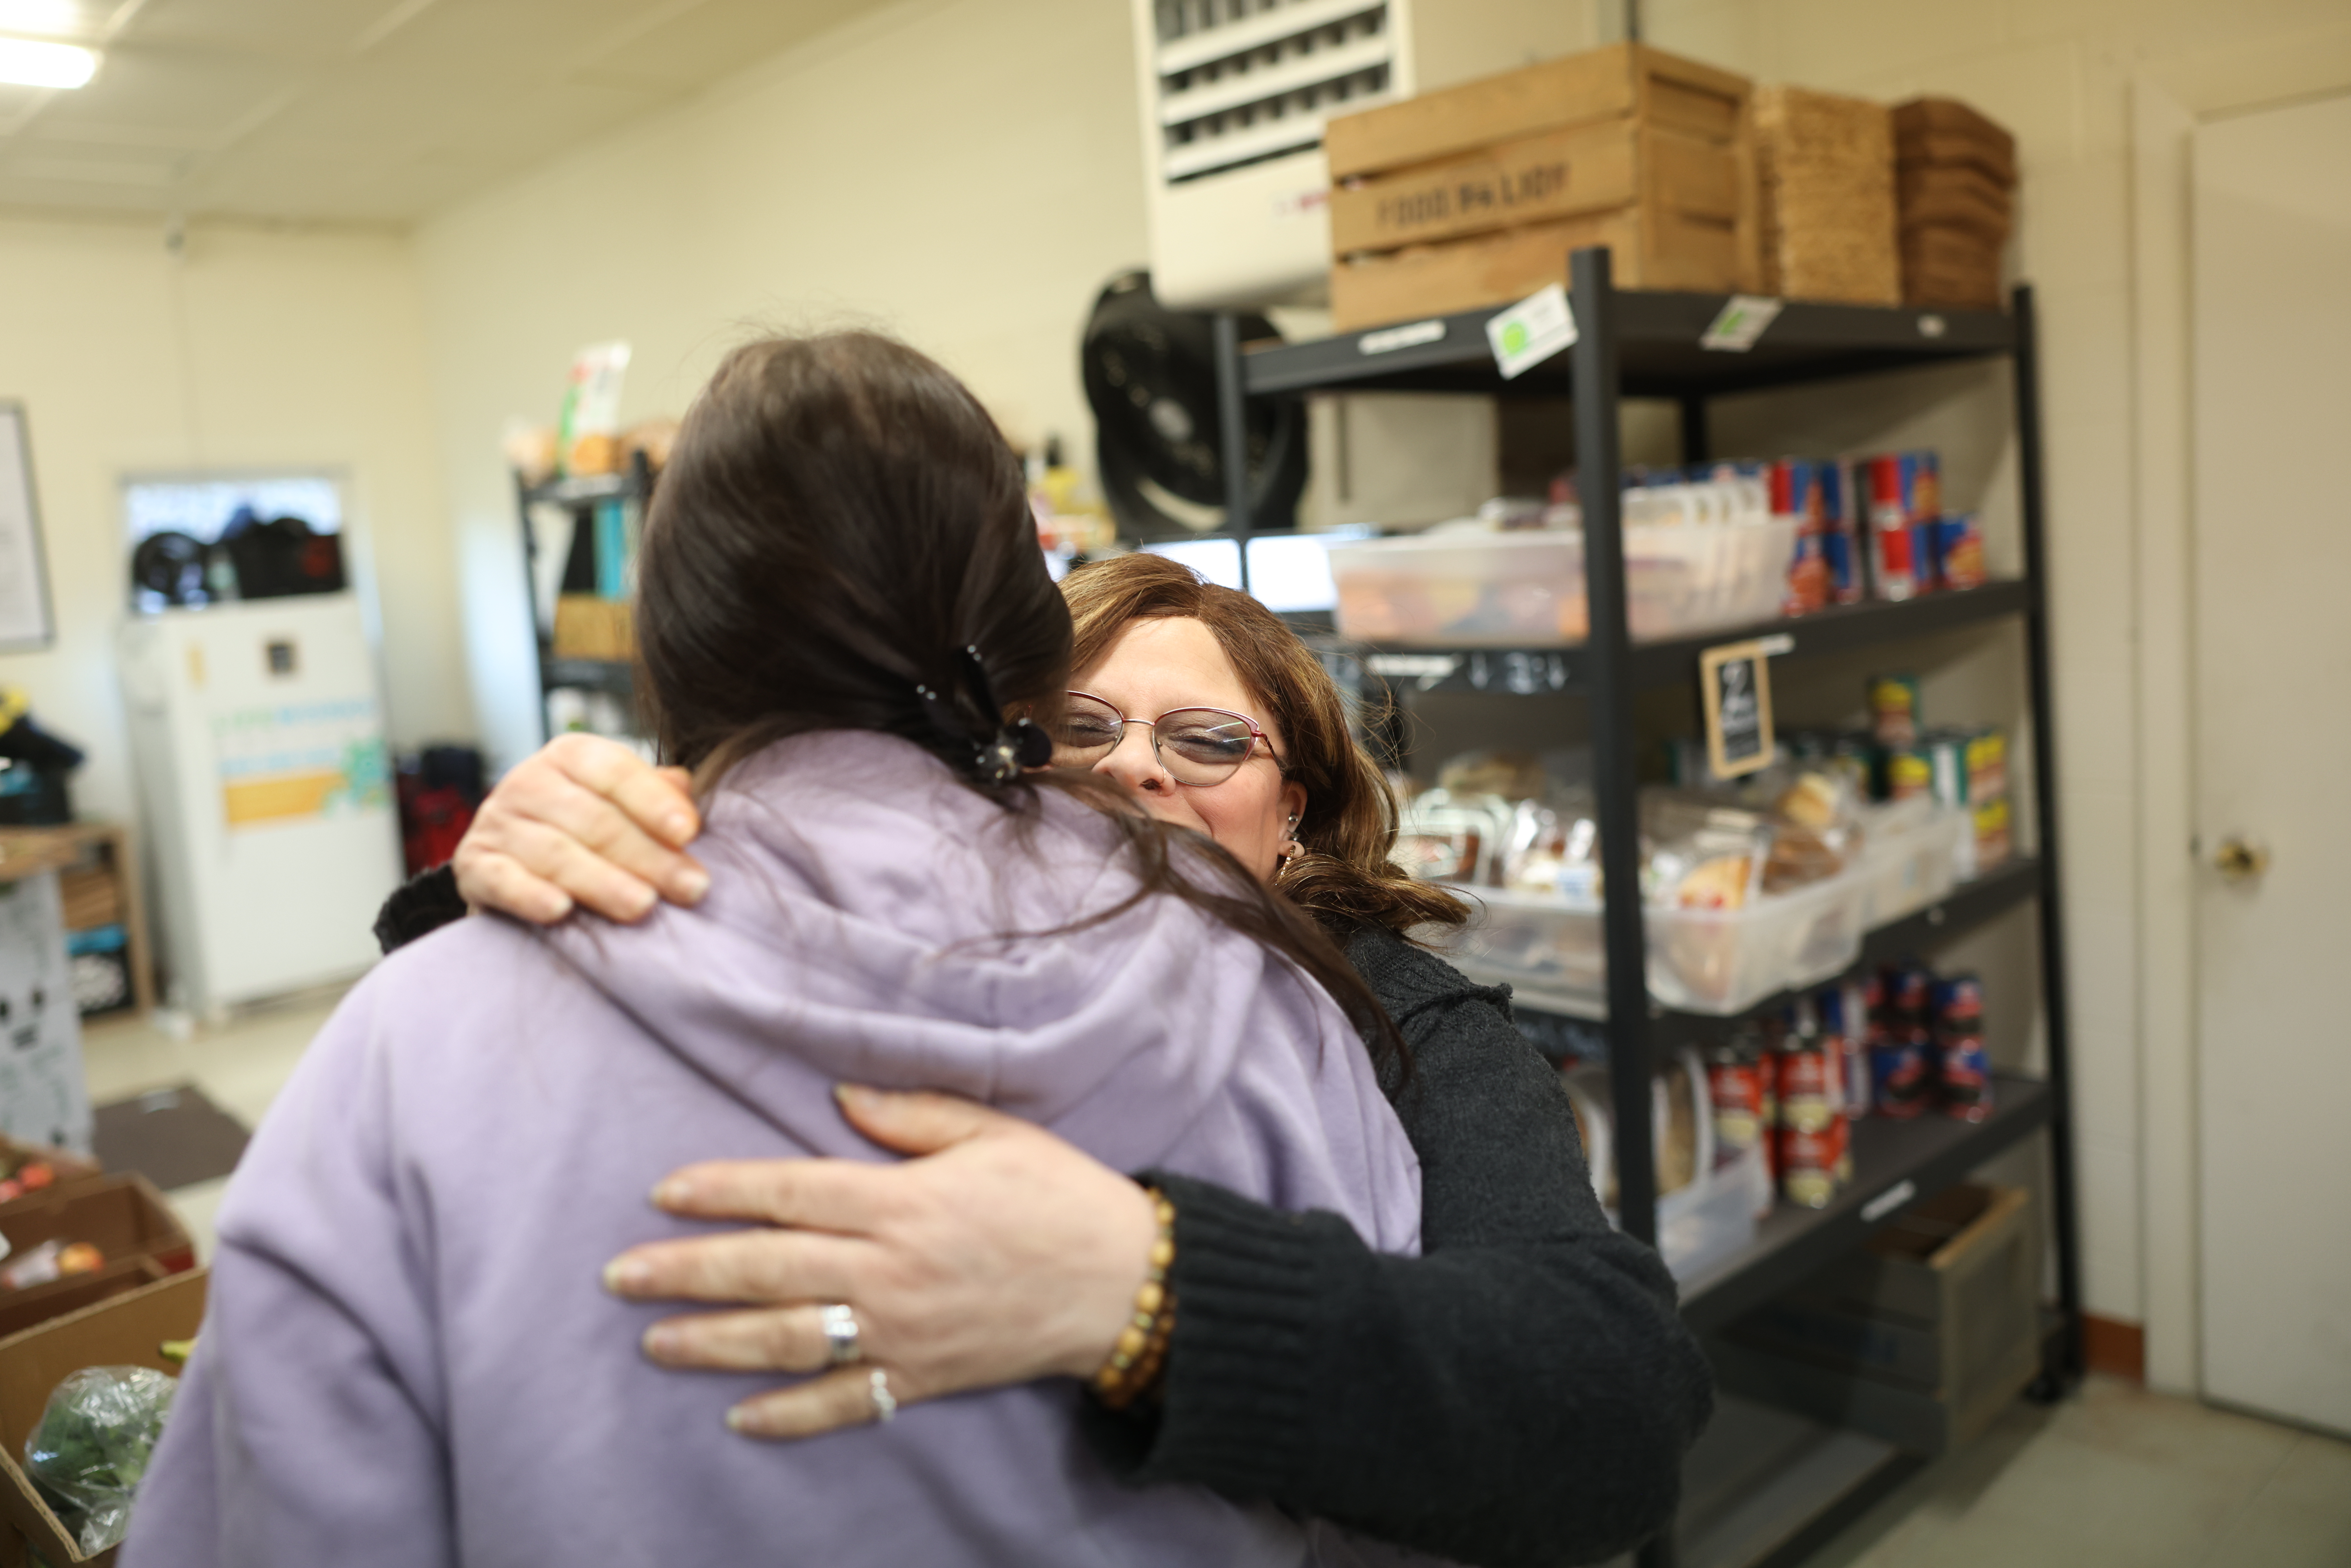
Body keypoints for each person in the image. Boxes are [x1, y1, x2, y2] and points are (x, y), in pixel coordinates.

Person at [122, 332, 1437, 1567]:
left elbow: (278, 1514)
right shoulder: (1262, 991)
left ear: (667, 662)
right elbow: (1392, 1416)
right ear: (1035, 665)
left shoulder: (406, 1047)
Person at [381, 554, 1715, 1566]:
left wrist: (1149, 1295)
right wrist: (511, 872)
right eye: (1075, 729)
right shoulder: (896, 954)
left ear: (1292, 817)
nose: (1135, 769)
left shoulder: (1409, 1030)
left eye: (1205, 741)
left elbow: (1613, 1403)